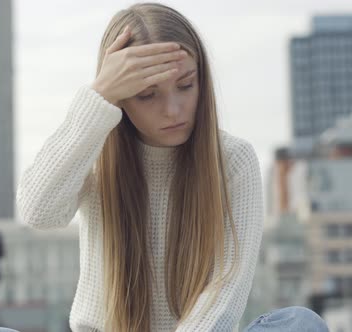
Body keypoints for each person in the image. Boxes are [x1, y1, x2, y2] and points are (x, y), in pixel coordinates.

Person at [16, 3, 329, 332]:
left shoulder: (234, 159)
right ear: (121, 97)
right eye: (147, 95)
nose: (173, 110)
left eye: (185, 86)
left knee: (300, 323)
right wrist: (99, 95)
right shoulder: (92, 151)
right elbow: (39, 211)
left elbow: (224, 291)